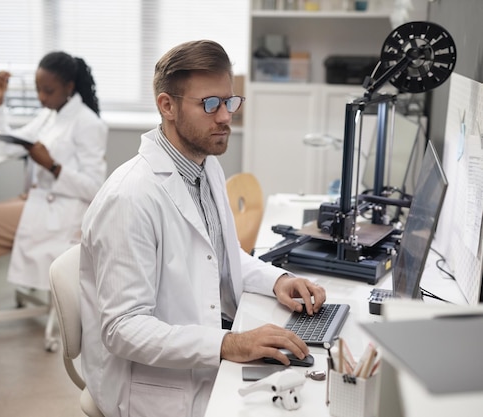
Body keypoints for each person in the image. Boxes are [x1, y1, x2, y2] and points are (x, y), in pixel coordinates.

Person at [79, 40, 326, 417]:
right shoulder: (130, 198)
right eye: (210, 104)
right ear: (168, 106)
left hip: (201, 349)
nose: (226, 116)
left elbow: (218, 256)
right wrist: (229, 344)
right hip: (152, 388)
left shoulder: (204, 165)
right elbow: (123, 329)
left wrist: (277, 280)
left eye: (230, 101)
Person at [0, 51, 108, 357]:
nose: (41, 97)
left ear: (68, 85)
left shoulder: (88, 123)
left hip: (59, 211)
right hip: (38, 202)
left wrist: (53, 167)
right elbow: (5, 146)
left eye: (47, 90)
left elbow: (95, 189)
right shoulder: (51, 113)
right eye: (38, 89)